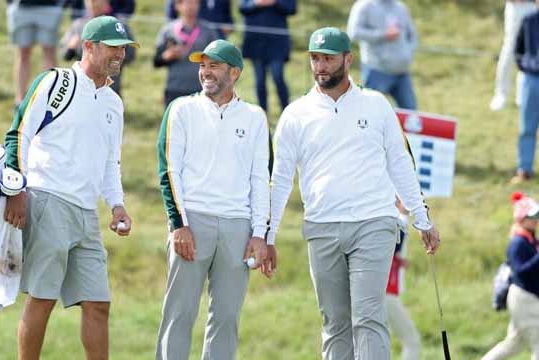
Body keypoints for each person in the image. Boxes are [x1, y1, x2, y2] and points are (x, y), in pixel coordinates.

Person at [268, 27, 440, 360]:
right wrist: (268, 235)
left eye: (328, 59)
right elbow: (281, 179)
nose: (320, 66)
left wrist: (422, 219)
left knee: (368, 316)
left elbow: (401, 165)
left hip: (373, 223)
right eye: (315, 58)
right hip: (322, 226)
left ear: (348, 59)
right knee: (334, 322)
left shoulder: (377, 105)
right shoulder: (295, 115)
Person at [3, 16, 137, 360]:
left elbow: (111, 162)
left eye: (123, 50)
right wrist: (16, 190)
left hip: (87, 213)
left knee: (98, 304)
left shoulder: (114, 104)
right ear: (88, 46)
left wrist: (117, 204)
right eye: (112, 48)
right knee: (43, 299)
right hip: (48, 199)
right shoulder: (55, 82)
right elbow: (19, 133)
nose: (119, 56)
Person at [155, 39, 271, 360]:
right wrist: (179, 224)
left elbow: (261, 179)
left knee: (226, 318)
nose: (205, 72)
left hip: (238, 227)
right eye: (202, 65)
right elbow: (169, 170)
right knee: (179, 314)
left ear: (234, 73)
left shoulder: (255, 117)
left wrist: (260, 234)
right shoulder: (181, 109)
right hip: (192, 221)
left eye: (214, 65)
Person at [482, 192, 539, 359]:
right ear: (522, 219)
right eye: (532, 216)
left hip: (528, 298)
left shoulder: (531, 241)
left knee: (513, 344)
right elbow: (521, 271)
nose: (536, 219)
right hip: (524, 299)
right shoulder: (518, 243)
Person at [347, 0, 419, 110]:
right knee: (372, 112)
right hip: (377, 70)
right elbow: (354, 32)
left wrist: (407, 53)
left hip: (402, 71)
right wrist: (383, 35)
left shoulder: (400, 6)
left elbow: (412, 35)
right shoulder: (364, 5)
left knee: (411, 115)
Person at [60, 0, 136, 96]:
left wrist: (111, 57)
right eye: (90, 1)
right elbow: (65, 55)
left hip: (112, 89)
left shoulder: (119, 26)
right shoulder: (80, 25)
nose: (92, 4)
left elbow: (131, 55)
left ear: (107, 2)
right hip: (81, 90)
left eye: (96, 0)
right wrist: (71, 48)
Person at [154, 0, 219, 107]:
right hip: (175, 88)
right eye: (187, 2)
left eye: (195, 2)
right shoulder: (168, 30)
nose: (191, 6)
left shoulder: (208, 31)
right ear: (177, 5)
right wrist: (167, 56)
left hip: (202, 89)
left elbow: (218, 60)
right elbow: (156, 61)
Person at [6, 0, 65, 110]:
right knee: (23, 54)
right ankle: (20, 102)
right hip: (21, 8)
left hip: (50, 7)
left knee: (49, 54)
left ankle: (50, 100)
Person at [240, 0, 296, 113]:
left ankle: (287, 111)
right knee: (260, 80)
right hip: (256, 42)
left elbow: (291, 9)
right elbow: (243, 8)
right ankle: (263, 114)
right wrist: (257, 3)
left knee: (278, 77)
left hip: (277, 43)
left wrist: (274, 2)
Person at [386, 200, 422, 360]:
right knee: (412, 341)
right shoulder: (395, 222)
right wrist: (404, 213)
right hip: (385, 293)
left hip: (383, 292)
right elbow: (398, 240)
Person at [510, 1, 539, 184]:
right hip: (532, 79)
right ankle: (524, 170)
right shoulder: (528, 21)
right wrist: (527, 66)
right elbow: (518, 50)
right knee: (527, 127)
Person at [490, 0, 537, 111]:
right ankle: (501, 94)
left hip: (533, 5)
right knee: (510, 49)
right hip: (516, 6)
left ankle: (523, 96)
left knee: (530, 51)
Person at [166, 0, 234, 39]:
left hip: (218, 38)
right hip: (194, 36)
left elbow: (228, 16)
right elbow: (171, 16)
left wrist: (229, 25)